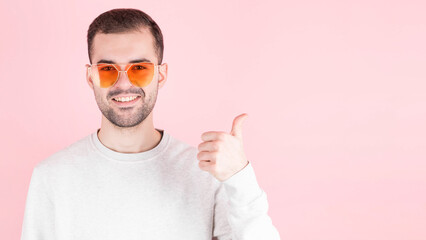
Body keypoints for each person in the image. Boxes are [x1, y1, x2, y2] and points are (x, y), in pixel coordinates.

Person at [20, 8, 281, 240]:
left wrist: (240, 178)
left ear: (161, 74)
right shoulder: (51, 177)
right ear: (91, 77)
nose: (123, 84)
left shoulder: (206, 174)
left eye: (139, 68)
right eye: (108, 69)